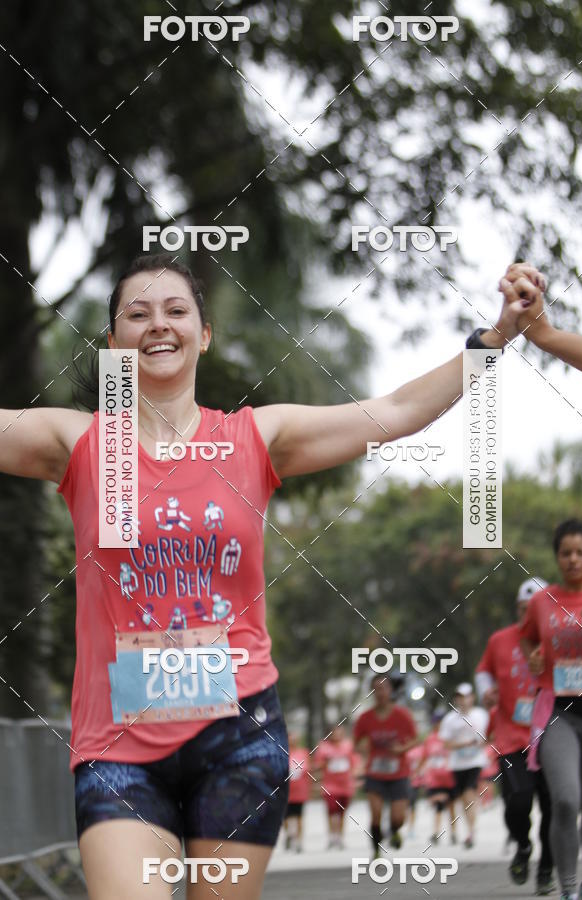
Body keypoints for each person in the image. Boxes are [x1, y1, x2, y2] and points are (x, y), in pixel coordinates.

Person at [0, 255, 542, 899]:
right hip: (117, 745)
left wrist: (495, 338)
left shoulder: (253, 437)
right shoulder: (81, 445)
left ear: (204, 334)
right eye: (136, 315)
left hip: (239, 737)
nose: (158, 326)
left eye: (176, 311)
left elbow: (395, 410)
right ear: (112, 342)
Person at [520, 520, 582, 900]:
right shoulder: (541, 602)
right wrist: (533, 660)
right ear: (557, 557)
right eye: (565, 553)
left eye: (580, 552)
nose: (572, 559)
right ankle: (568, 890)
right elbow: (527, 639)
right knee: (565, 800)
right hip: (558, 713)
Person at [475, 577, 554, 895]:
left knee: (554, 808)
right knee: (517, 803)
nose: (529, 616)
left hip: (552, 736)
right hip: (511, 739)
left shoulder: (558, 639)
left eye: (536, 610)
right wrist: (486, 692)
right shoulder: (500, 640)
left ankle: (547, 866)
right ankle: (523, 846)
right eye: (524, 610)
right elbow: (483, 670)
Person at [353, 674, 419, 857]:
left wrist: (401, 749)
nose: (380, 693)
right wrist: (363, 748)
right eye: (376, 689)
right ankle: (376, 850)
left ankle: (395, 830)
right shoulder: (365, 718)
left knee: (399, 817)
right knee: (375, 814)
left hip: (399, 772)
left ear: (390, 690)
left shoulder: (402, 715)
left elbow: (415, 739)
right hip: (375, 773)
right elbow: (357, 742)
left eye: (383, 688)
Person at [439, 683, 489, 848]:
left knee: (469, 794)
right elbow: (445, 744)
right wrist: (464, 744)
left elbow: (490, 735)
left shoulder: (481, 715)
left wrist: (483, 744)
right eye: (459, 697)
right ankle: (470, 827)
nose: (463, 700)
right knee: (464, 799)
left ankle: (471, 832)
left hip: (475, 762)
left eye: (466, 696)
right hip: (458, 764)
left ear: (472, 697)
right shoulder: (450, 719)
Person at [313, 723, 360, 849]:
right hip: (330, 786)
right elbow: (316, 765)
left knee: (342, 812)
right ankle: (332, 837)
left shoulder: (348, 745)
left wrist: (355, 778)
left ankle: (340, 837)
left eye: (339, 732)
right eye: (334, 732)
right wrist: (325, 763)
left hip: (346, 785)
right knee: (332, 811)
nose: (337, 735)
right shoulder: (323, 747)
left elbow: (355, 763)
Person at [418, 711, 457, 845]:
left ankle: (453, 833)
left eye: (440, 722)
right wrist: (418, 771)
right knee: (438, 805)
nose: (438, 725)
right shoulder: (430, 739)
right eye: (436, 722)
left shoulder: (450, 738)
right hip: (434, 777)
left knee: (451, 806)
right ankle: (436, 832)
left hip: (450, 776)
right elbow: (424, 756)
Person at [283, 732, 311, 852]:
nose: (292, 741)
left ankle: (298, 841)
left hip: (300, 789)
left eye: (294, 739)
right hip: (285, 790)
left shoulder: (303, 752)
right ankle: (289, 834)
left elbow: (307, 767)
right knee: (285, 817)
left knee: (299, 816)